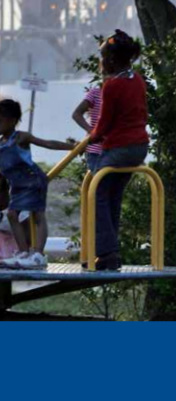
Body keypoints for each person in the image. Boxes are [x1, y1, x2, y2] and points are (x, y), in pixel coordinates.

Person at [0, 99, 76, 269]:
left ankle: (38, 254)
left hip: (33, 180)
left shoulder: (20, 137)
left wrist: (72, 147)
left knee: (37, 215)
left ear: (12, 120)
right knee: (12, 215)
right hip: (17, 186)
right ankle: (24, 252)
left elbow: (47, 143)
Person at [89, 30, 149, 271]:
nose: (101, 62)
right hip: (139, 147)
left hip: (121, 147)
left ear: (111, 60)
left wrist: (92, 137)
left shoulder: (112, 86)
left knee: (97, 192)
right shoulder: (136, 79)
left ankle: (106, 252)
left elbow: (104, 124)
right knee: (112, 195)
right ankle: (110, 250)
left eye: (102, 56)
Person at [72, 76, 107, 172]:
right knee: (102, 183)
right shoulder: (96, 93)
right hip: (95, 151)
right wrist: (92, 131)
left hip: (115, 150)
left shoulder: (121, 95)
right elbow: (76, 114)